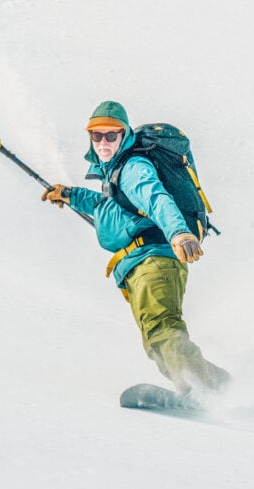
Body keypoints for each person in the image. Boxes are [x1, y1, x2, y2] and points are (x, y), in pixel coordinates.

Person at [41, 100, 230, 400]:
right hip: (141, 264)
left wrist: (179, 232)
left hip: (154, 259)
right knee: (156, 338)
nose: (103, 142)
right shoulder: (114, 172)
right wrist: (69, 195)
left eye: (111, 135)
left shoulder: (133, 167)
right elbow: (106, 207)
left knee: (163, 330)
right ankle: (219, 386)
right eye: (96, 135)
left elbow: (156, 197)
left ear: (124, 133)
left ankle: (197, 387)